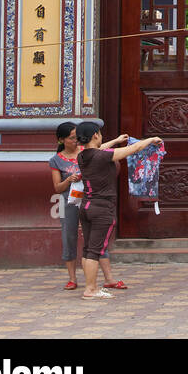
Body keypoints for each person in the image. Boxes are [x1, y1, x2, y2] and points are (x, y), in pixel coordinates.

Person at [76, 123, 161, 301]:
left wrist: (115, 140)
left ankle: (90, 286)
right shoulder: (102, 156)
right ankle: (90, 289)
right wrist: (151, 139)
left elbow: (102, 149)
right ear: (95, 135)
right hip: (101, 208)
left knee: (87, 250)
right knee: (95, 251)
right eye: (99, 134)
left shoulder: (82, 155)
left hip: (86, 206)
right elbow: (134, 149)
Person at [48, 121, 131, 292]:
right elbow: (57, 188)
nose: (75, 141)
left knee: (95, 240)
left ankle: (108, 278)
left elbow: (100, 148)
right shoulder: (56, 160)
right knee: (69, 236)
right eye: (72, 138)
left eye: (77, 137)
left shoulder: (84, 152)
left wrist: (116, 140)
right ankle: (73, 278)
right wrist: (68, 180)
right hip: (69, 201)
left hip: (88, 200)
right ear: (62, 140)